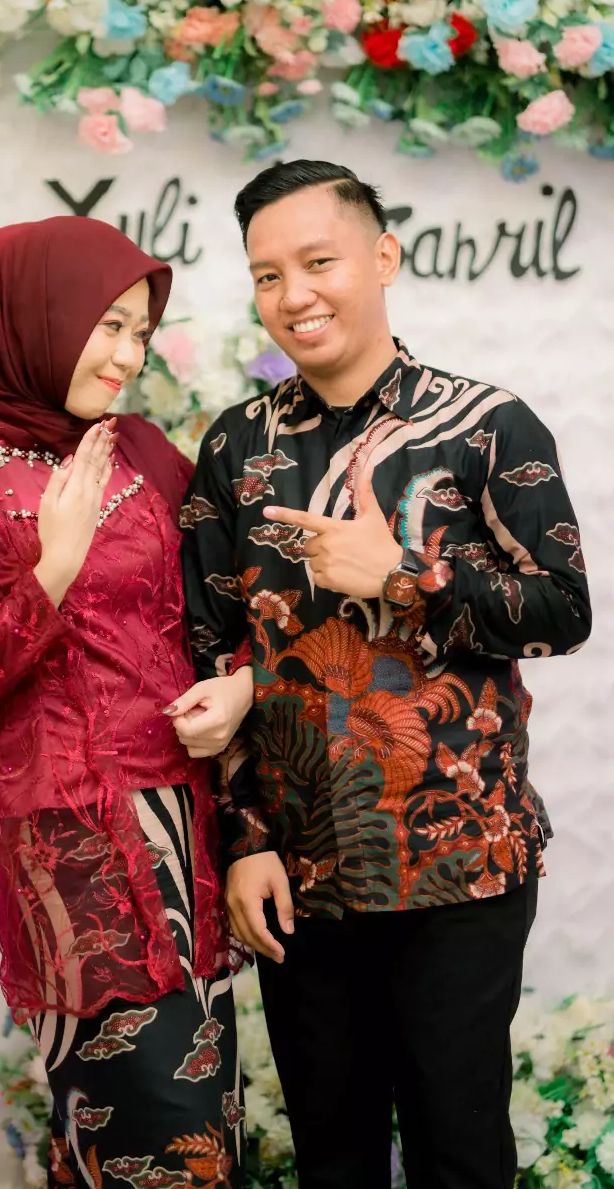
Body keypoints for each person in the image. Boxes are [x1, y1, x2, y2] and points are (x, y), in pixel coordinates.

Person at [177, 160, 592, 1189]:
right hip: (301, 875)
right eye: (268, 275)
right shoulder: (235, 445)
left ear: (383, 257)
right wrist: (244, 842)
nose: (295, 295)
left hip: (461, 862)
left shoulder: (487, 424)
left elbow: (563, 612)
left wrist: (406, 574)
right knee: (334, 1158)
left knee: (461, 1153)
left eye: (318, 262)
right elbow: (212, 647)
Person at [0, 218, 253, 1185]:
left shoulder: (142, 452)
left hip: (186, 818)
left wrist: (239, 686)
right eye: (108, 326)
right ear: (30, 319)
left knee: (204, 1116)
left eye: (141, 332)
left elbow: (225, 609)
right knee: (145, 1132)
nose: (129, 356)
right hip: (64, 837)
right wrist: (51, 571)